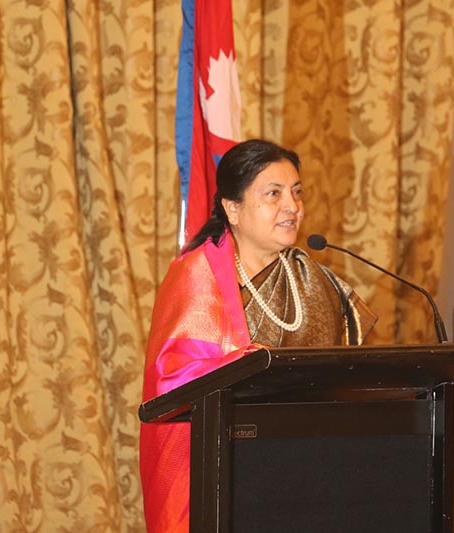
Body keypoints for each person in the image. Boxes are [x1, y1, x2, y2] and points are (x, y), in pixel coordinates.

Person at [139, 139, 376, 533]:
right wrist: (250, 362)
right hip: (219, 472)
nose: (292, 207)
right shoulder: (197, 277)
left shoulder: (310, 277)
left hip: (304, 470)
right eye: (273, 193)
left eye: (297, 192)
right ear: (233, 208)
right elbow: (173, 380)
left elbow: (342, 373)